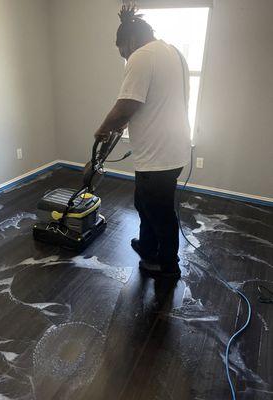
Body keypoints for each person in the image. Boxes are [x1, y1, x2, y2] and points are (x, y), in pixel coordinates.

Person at [94, 4, 191, 279]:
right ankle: (148, 247)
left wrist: (102, 129)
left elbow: (126, 105)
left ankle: (168, 267)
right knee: (144, 202)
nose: (123, 55)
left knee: (160, 211)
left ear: (131, 41)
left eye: (121, 49)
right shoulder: (173, 53)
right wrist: (125, 120)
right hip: (172, 149)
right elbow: (155, 100)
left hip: (158, 154)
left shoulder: (142, 56)